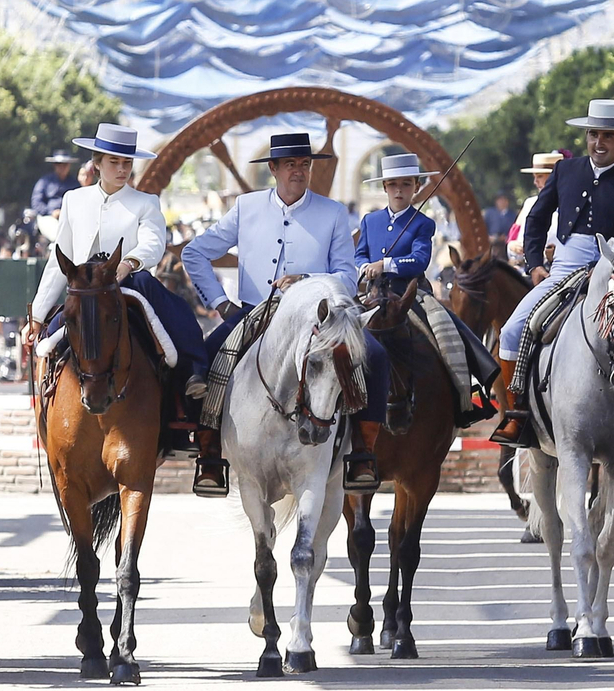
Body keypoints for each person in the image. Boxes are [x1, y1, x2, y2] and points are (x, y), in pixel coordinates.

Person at [182, 132, 391, 497]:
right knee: (201, 361)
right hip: (254, 312)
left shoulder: (332, 212)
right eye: (291, 164)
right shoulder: (246, 207)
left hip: (315, 319)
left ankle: (362, 451)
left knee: (375, 354)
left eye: (305, 164)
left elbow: (346, 273)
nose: (299, 171)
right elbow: (194, 253)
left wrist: (308, 280)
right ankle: (210, 454)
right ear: (274, 169)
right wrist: (220, 302)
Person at [491, 99, 614, 454]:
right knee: (513, 330)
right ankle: (516, 412)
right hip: (564, 267)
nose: (599, 142)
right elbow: (536, 220)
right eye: (594, 134)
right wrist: (535, 263)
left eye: (608, 136)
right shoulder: (565, 171)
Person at [25, 123, 209, 403]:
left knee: (176, 309)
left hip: (130, 281)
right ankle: (48, 401)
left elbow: (153, 242)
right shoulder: (73, 199)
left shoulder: (146, 202)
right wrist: (36, 317)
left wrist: (129, 263)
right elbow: (58, 260)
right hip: (84, 286)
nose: (122, 169)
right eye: (114, 162)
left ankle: (194, 372)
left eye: (127, 163)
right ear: (97, 164)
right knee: (49, 338)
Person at [355, 153, 500, 419]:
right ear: (385, 186)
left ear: (416, 187)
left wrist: (385, 264)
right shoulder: (369, 221)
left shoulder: (423, 222)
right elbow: (360, 255)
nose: (400, 190)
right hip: (373, 294)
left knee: (448, 330)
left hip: (411, 293)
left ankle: (470, 396)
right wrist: (365, 267)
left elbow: (419, 260)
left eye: (406, 184)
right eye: (394, 184)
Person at [507, 151, 563, 271]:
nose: (535, 182)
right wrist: (512, 246)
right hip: (525, 270)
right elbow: (514, 237)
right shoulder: (529, 203)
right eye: (534, 177)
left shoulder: (569, 205)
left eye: (540, 176)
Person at [31, 150, 80, 241]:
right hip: (47, 217)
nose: (62, 167)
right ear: (54, 165)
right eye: (59, 164)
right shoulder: (45, 181)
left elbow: (80, 203)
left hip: (70, 219)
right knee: (58, 235)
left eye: (65, 164)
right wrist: (51, 212)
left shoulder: (75, 184)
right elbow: (36, 202)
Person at [483, 192, 518, 259]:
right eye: (499, 200)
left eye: (504, 200)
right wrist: (488, 237)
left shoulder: (513, 215)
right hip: (492, 242)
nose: (501, 202)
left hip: (506, 243)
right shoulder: (489, 213)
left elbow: (515, 229)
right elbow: (483, 227)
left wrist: (507, 237)